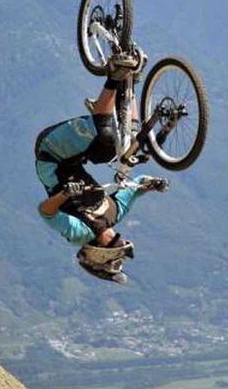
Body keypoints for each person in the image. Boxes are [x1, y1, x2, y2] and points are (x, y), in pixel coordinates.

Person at [35, 55, 168, 284]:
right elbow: (135, 187)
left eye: (115, 257)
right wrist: (151, 185)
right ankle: (130, 80)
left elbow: (46, 211)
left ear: (102, 254)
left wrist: (66, 194)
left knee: (105, 136)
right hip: (75, 157)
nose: (120, 243)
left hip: (52, 153)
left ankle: (115, 75)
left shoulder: (79, 233)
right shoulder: (113, 214)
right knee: (132, 147)